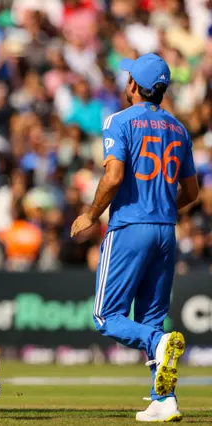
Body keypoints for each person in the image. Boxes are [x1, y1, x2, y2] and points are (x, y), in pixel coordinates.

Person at [70, 53, 199, 423]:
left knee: (105, 315)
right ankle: (165, 400)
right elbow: (191, 194)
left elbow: (112, 178)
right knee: (152, 319)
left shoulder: (119, 121)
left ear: (132, 85)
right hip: (165, 229)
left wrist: (90, 215)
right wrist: (164, 209)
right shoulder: (178, 128)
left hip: (129, 227)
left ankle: (158, 347)